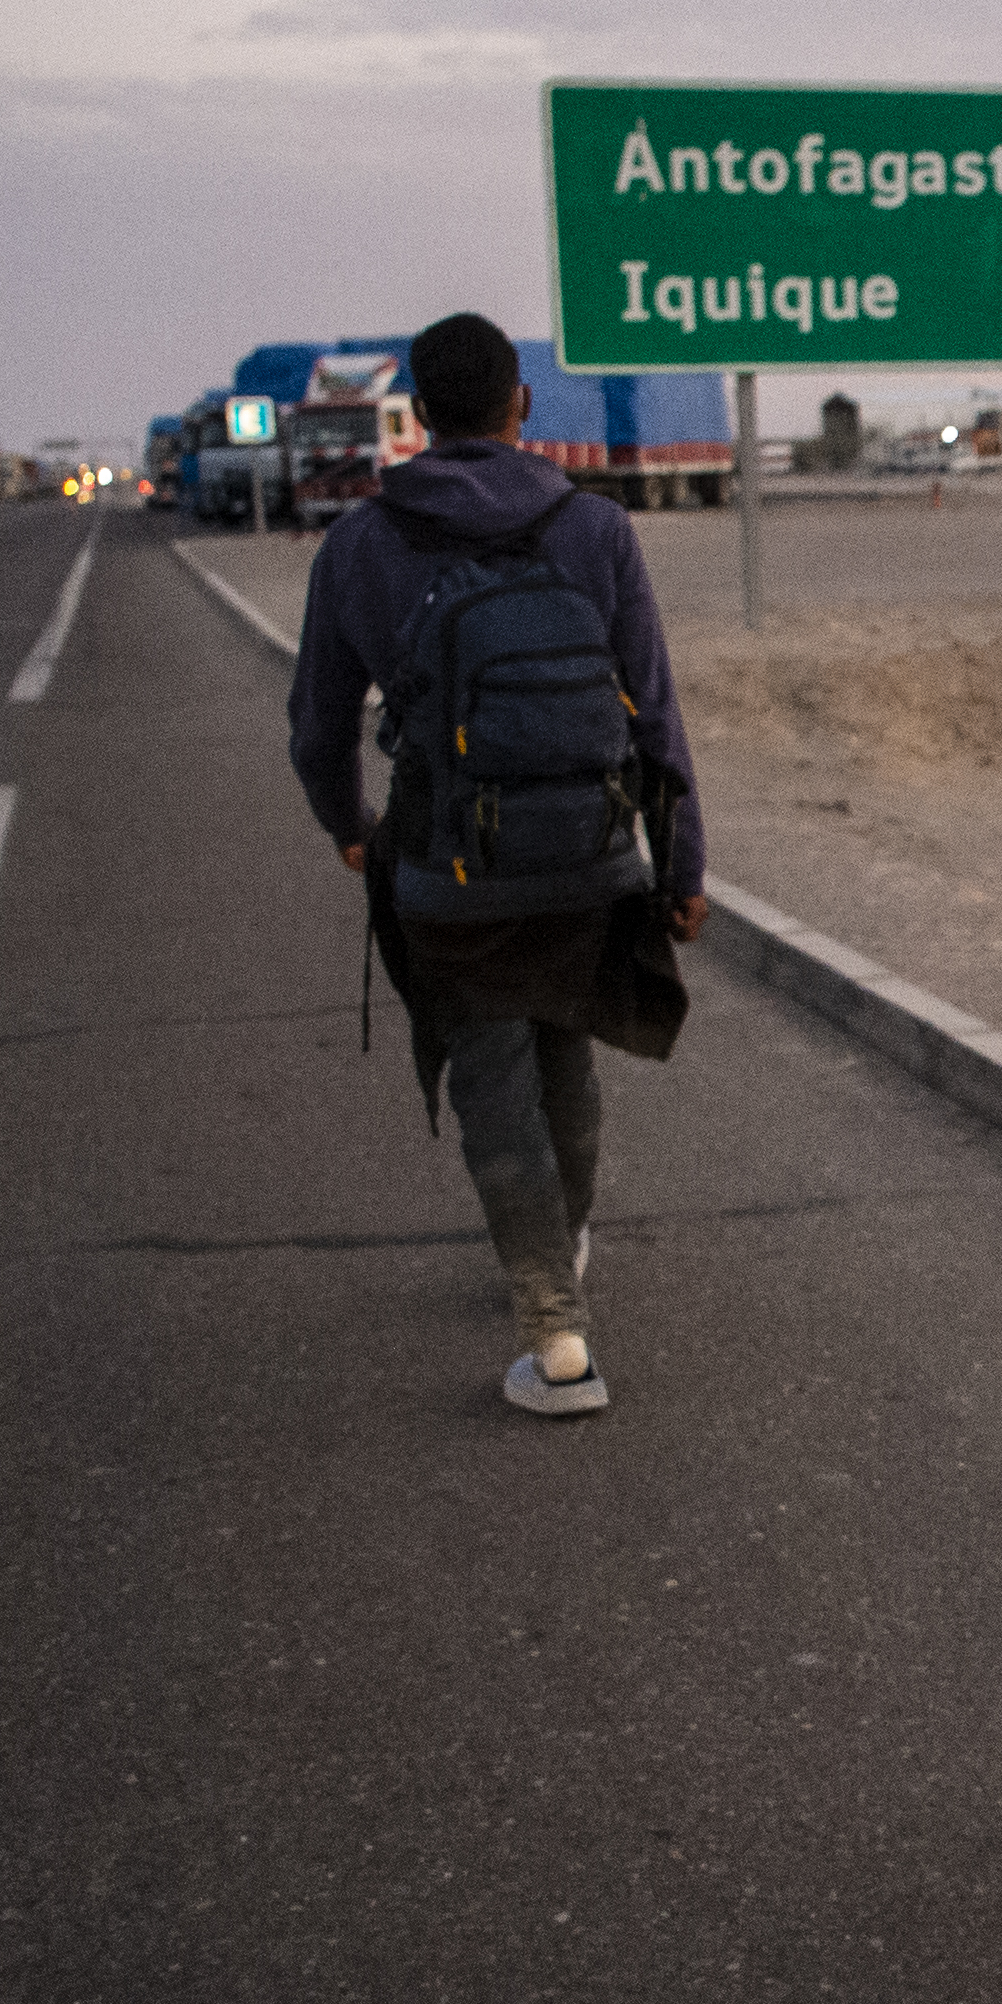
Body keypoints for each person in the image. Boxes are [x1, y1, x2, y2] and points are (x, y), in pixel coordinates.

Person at [286, 311, 706, 1418]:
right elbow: (654, 714)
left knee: (488, 1072)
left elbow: (318, 725)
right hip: (590, 852)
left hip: (449, 865)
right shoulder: (596, 529)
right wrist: (683, 865)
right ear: (521, 404)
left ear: (417, 416)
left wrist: (349, 822)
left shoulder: (361, 545)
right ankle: (562, 1240)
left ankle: (554, 1332)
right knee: (565, 1048)